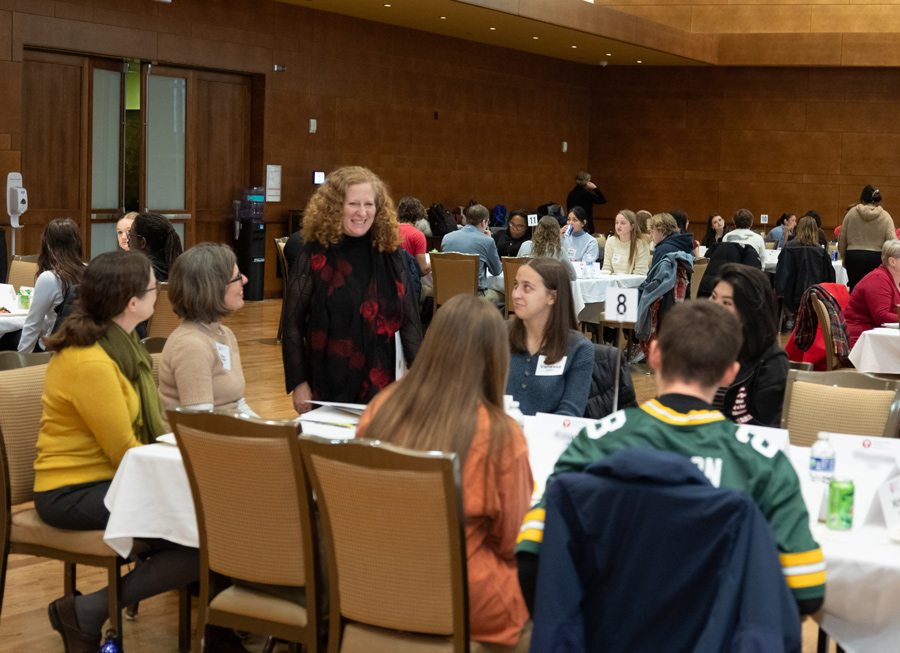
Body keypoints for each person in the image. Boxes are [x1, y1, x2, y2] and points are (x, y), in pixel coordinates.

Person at [515, 301, 824, 617]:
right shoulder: (765, 463)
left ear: (655, 353)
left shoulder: (593, 444)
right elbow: (806, 589)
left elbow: (531, 556)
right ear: (730, 374)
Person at [34, 251, 197, 652]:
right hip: (69, 492)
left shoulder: (123, 348)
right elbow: (124, 452)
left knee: (206, 519)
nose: (158, 292)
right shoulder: (92, 362)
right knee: (203, 534)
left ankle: (224, 625)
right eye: (152, 287)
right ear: (132, 303)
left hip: (109, 480)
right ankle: (88, 610)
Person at [357, 294, 533, 651]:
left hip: (374, 586)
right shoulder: (500, 435)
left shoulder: (381, 407)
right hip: (462, 598)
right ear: (494, 358)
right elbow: (512, 541)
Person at [282, 166, 422, 415]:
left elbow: (409, 320)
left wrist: (419, 375)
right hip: (327, 382)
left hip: (384, 383)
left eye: (369, 204)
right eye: (353, 204)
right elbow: (291, 324)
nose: (362, 212)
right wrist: (299, 383)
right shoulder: (315, 255)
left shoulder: (392, 255)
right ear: (335, 207)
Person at [159, 244, 257, 416]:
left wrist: (271, 431)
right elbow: (201, 424)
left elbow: (237, 403)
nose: (246, 280)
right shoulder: (191, 345)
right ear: (213, 288)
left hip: (227, 432)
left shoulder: (224, 334)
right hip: (199, 439)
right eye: (237, 278)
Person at [507, 258, 593, 417]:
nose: (516, 294)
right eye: (515, 285)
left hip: (549, 439)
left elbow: (570, 412)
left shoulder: (578, 348)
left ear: (552, 297)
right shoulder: (498, 335)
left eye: (527, 287)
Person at [710, 264, 789, 426]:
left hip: (734, 445)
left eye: (726, 303)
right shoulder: (700, 345)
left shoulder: (771, 362)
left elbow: (768, 430)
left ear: (748, 313)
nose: (714, 307)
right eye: (713, 297)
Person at [17, 218, 84, 353]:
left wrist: (23, 362)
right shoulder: (91, 271)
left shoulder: (50, 278)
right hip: (83, 344)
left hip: (54, 349)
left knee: (9, 337)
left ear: (47, 245)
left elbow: (32, 325)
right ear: (77, 243)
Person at [775, 216, 835, 322]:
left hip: (793, 294)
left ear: (799, 228)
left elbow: (782, 272)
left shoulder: (789, 247)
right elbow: (829, 276)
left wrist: (780, 291)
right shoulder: (821, 251)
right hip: (816, 294)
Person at [441, 203, 503, 305]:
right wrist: (489, 240)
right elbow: (497, 271)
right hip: (474, 296)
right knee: (504, 295)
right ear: (484, 222)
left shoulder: (447, 237)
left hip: (448, 293)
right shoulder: (487, 241)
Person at [839, 185, 897, 291]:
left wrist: (843, 256)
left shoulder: (851, 214)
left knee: (854, 290)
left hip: (853, 256)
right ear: (876, 200)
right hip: (876, 257)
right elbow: (892, 241)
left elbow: (842, 238)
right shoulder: (885, 216)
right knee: (875, 290)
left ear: (862, 200)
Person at [844, 239, 900, 347]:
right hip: (862, 339)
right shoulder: (878, 279)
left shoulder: (895, 280)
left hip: (881, 335)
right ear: (892, 261)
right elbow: (881, 316)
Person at [127, 212, 184, 282]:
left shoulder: (141, 274)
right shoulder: (182, 270)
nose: (128, 240)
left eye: (130, 235)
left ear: (143, 242)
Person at [602, 210, 650, 275]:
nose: (618, 226)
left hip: (633, 284)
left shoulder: (641, 243)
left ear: (632, 226)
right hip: (612, 283)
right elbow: (606, 269)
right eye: (616, 223)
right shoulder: (611, 241)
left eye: (623, 223)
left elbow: (640, 273)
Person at [396, 196, 430, 275]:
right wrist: (433, 262)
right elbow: (423, 270)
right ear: (418, 217)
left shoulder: (386, 231)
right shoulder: (418, 235)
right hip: (407, 284)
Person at [566, 170, 606, 235]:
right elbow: (602, 200)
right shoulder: (587, 195)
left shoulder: (571, 194)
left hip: (572, 226)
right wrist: (595, 188)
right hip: (586, 226)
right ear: (587, 182)